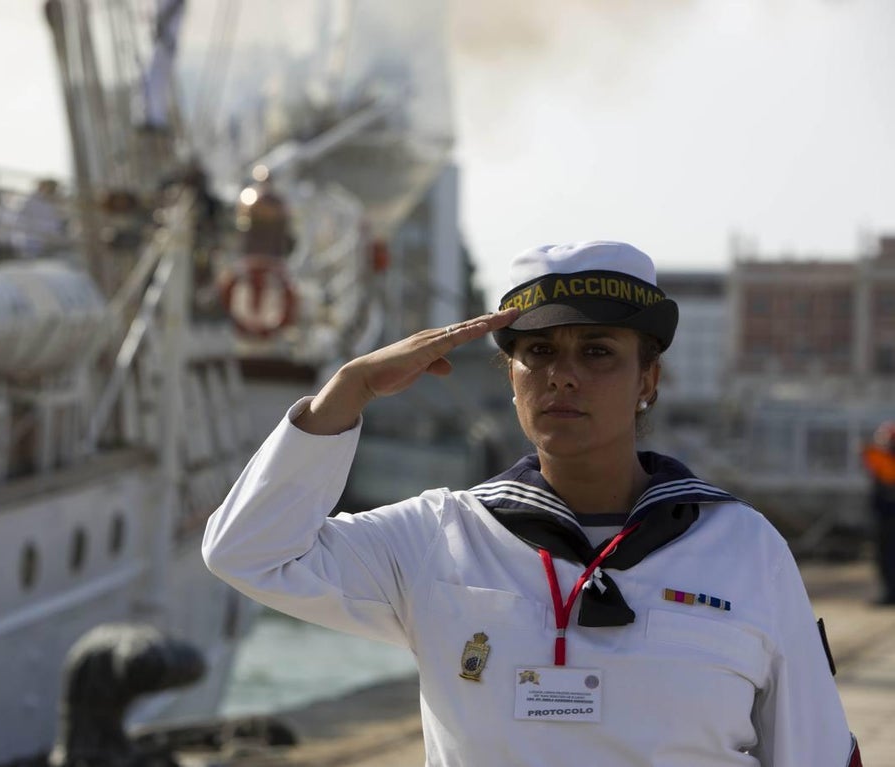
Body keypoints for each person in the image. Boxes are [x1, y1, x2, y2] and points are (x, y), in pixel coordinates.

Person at [203, 241, 862, 766]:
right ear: (510, 377)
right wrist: (351, 388)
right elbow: (248, 551)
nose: (563, 374)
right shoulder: (443, 536)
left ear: (648, 380)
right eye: (538, 351)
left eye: (597, 351)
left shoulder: (744, 547)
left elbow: (816, 750)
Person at [862, 421, 895, 605]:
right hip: (883, 517)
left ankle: (891, 593)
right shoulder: (881, 460)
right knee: (884, 557)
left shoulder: (888, 462)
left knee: (889, 557)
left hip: (889, 518)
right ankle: (889, 592)